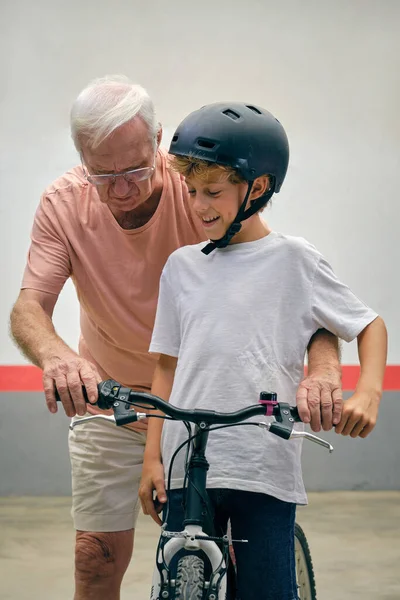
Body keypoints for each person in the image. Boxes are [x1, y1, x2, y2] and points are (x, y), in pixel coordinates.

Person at [10, 76, 342, 600]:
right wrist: (56, 357)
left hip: (202, 406)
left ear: (159, 142)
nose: (122, 190)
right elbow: (29, 307)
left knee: (226, 555)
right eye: (103, 175)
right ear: (81, 159)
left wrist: (323, 371)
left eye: (136, 170)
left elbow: (300, 295)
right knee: (93, 557)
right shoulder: (63, 205)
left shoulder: (201, 192)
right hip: (111, 399)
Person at [139, 102, 387, 599]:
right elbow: (165, 369)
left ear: (257, 187)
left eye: (212, 191)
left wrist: (369, 393)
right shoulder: (181, 268)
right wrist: (150, 458)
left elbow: (369, 325)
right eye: (191, 191)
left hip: (262, 464)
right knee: (177, 587)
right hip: (184, 464)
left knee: (266, 590)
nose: (198, 204)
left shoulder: (294, 259)